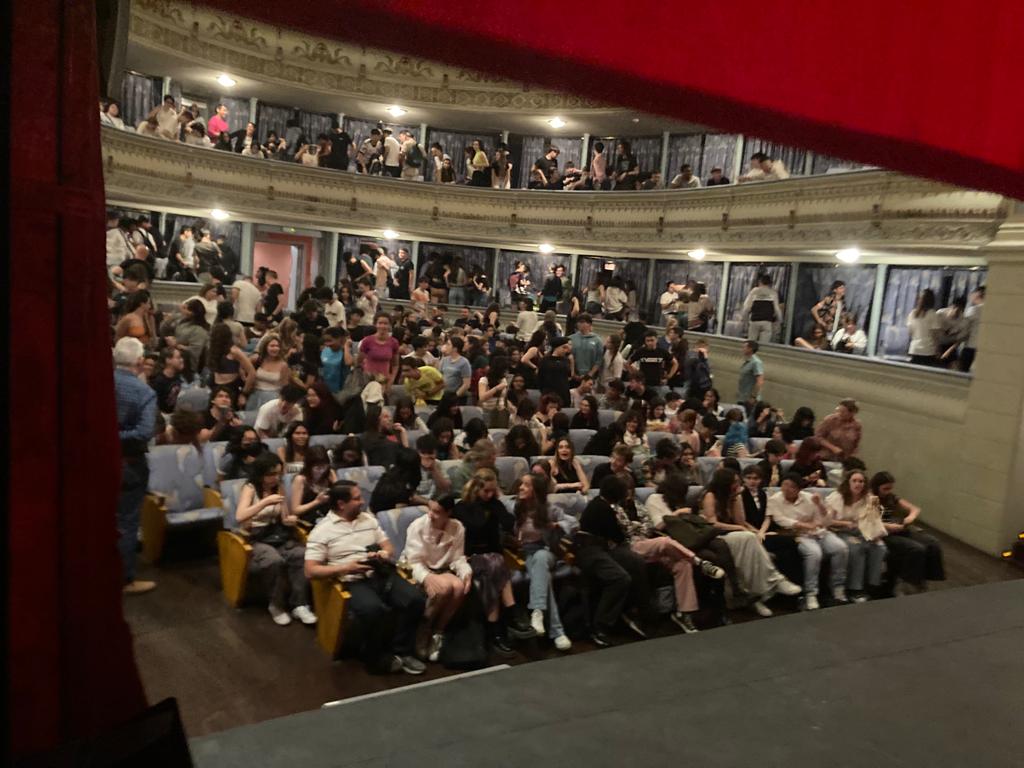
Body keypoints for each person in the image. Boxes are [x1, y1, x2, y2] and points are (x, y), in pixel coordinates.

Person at [305, 481, 427, 674]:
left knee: (415, 599)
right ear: (341, 504)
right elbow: (311, 571)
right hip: (351, 580)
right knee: (373, 609)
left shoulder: (368, 519)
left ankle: (403, 651)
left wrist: (383, 554)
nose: (362, 501)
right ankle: (375, 657)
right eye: (356, 498)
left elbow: (387, 546)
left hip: (379, 571)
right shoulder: (321, 531)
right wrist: (345, 567)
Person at [700, 469, 801, 617]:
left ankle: (756, 597)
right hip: (715, 537)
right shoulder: (710, 495)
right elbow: (712, 523)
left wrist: (736, 498)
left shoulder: (734, 496)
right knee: (748, 537)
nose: (738, 484)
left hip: (734, 535)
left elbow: (740, 520)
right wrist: (739, 528)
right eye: (735, 482)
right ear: (725, 483)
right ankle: (775, 580)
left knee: (750, 542)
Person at [452, 468, 533, 655]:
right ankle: (512, 614)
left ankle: (495, 631)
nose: (489, 495)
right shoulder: (462, 507)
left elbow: (509, 523)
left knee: (494, 569)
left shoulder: (494, 504)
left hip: (493, 558)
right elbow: (476, 525)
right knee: (496, 562)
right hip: (470, 557)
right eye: (486, 491)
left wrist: (497, 507)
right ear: (476, 488)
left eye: (492, 490)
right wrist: (489, 509)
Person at [235, 454, 315, 626]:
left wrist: (290, 520)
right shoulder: (250, 488)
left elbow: (284, 516)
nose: (276, 478)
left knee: (302, 554)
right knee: (274, 560)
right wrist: (264, 503)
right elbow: (240, 516)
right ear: (260, 474)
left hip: (277, 534)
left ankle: (299, 603)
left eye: (278, 474)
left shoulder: (278, 487)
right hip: (255, 537)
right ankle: (276, 605)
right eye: (271, 474)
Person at [113, 338, 158, 595]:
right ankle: (124, 579)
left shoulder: (99, 383)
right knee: (127, 523)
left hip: (96, 461)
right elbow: (143, 432)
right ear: (140, 362)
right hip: (129, 465)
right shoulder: (145, 393)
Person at [766, 474, 849, 610]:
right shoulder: (775, 499)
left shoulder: (809, 498)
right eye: (784, 485)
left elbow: (825, 521)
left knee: (841, 548)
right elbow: (779, 519)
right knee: (814, 553)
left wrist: (820, 505)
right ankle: (810, 593)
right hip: (798, 534)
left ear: (799, 489)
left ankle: (838, 588)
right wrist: (802, 525)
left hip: (818, 532)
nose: (787, 489)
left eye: (792, 487)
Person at [512, 474, 574, 650]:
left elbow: (573, 523)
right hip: (525, 554)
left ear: (536, 490)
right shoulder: (517, 507)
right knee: (543, 579)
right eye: (521, 484)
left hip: (547, 551)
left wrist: (556, 526)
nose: (521, 487)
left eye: (526, 485)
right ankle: (557, 631)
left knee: (540, 557)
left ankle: (538, 612)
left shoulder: (549, 509)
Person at [870, 471, 945, 594]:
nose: (888, 491)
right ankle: (910, 582)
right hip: (884, 533)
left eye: (890, 488)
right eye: (885, 488)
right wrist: (892, 526)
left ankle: (923, 577)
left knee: (933, 543)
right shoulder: (872, 499)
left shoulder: (892, 497)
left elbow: (914, 509)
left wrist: (910, 517)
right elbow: (873, 522)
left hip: (899, 528)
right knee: (916, 549)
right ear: (877, 487)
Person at [825, 470, 887, 602]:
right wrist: (846, 523)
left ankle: (873, 585)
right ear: (848, 482)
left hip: (862, 531)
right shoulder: (837, 496)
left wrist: (877, 535)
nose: (858, 484)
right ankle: (855, 589)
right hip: (840, 530)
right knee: (856, 547)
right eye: (854, 481)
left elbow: (875, 520)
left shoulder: (871, 499)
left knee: (880, 547)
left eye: (861, 481)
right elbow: (827, 521)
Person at [907, 288, 942, 366]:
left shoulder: (912, 314)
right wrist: (938, 350)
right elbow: (935, 336)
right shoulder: (933, 314)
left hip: (914, 349)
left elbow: (910, 332)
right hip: (928, 350)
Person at [743, 274, 781, 343]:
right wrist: (779, 323)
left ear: (760, 282)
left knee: (751, 344)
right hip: (767, 322)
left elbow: (746, 308)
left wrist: (745, 323)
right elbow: (777, 310)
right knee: (763, 346)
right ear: (770, 283)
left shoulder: (754, 291)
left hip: (754, 321)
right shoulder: (773, 293)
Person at [439, 336, 473, 403]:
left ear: (455, 348)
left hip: (457, 397)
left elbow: (466, 384)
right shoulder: (444, 360)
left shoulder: (464, 362)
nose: (446, 346)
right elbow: (439, 375)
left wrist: (455, 396)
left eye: (448, 344)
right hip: (444, 394)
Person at [961, 285, 984, 372]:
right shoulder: (991, 310)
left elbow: (963, 328)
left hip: (970, 347)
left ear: (978, 294)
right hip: (982, 348)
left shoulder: (973, 309)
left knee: (963, 374)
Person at [737, 340, 765, 406]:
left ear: (750, 349)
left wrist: (753, 397)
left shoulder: (756, 362)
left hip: (750, 400)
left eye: (744, 347)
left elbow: (760, 381)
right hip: (742, 397)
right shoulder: (747, 361)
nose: (742, 349)